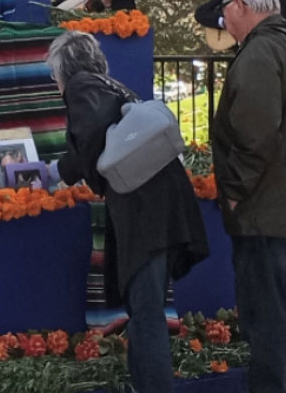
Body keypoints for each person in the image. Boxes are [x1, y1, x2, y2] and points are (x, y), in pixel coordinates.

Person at [44, 31, 208, 393]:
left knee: (146, 312)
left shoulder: (81, 87)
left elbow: (91, 145)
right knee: (145, 309)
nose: (55, 83)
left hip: (144, 211)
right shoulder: (111, 86)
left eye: (54, 75)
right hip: (164, 204)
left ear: (65, 71)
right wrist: (58, 171)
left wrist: (54, 174)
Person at [206, 0, 286, 392]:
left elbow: (255, 135)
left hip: (262, 209)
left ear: (241, 6)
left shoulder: (258, 55)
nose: (222, 21)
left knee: (265, 316)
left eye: (224, 11)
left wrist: (234, 193)